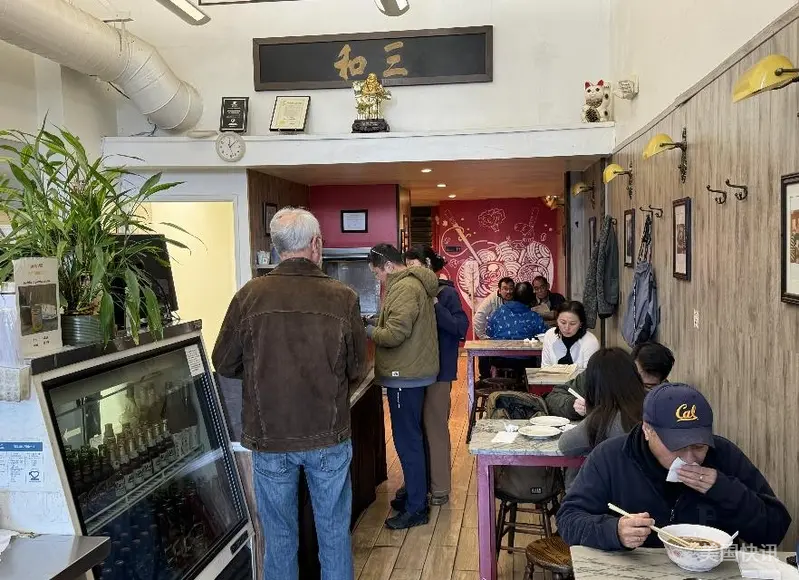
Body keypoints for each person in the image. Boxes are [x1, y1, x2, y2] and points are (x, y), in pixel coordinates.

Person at [213, 207, 367, 580]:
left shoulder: (249, 295)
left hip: (270, 437)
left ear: (277, 247)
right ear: (316, 244)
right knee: (334, 534)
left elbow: (223, 363)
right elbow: (357, 368)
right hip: (328, 434)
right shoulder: (343, 297)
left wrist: (261, 371)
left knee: (279, 537)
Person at [557, 383, 792, 551]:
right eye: (676, 447)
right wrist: (614, 531)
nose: (690, 459)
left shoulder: (724, 455)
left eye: (699, 446)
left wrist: (723, 488)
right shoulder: (611, 457)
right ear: (648, 430)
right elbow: (568, 519)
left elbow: (774, 531)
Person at [367, 243, 439, 529]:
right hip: (412, 371)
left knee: (408, 441)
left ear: (387, 265)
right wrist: (377, 321)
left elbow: (395, 334)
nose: (378, 279)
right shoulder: (410, 284)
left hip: (404, 374)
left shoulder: (404, 287)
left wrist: (368, 329)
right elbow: (398, 322)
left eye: (377, 273)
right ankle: (413, 493)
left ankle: (416, 508)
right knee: (412, 437)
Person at [394, 246, 468, 507]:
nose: (410, 271)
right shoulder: (409, 291)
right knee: (414, 429)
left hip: (439, 372)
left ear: (427, 264)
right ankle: (417, 483)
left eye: (414, 265)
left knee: (435, 428)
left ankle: (439, 487)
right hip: (413, 371)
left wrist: (436, 306)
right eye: (407, 266)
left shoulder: (446, 293)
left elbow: (460, 327)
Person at [558, 348, 647, 490]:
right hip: (648, 492)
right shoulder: (652, 406)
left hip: (605, 496)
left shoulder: (602, 418)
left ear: (594, 384)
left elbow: (565, 445)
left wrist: (590, 414)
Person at [547, 341, 674, 420]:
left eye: (648, 386)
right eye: (635, 378)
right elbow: (553, 397)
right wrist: (572, 405)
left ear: (662, 380)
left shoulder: (665, 397)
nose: (637, 387)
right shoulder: (604, 374)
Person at [473, 277, 515, 379]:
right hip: (495, 337)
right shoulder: (492, 299)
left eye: (511, 288)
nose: (508, 292)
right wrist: (483, 337)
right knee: (483, 353)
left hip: (514, 339)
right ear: (499, 290)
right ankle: (485, 379)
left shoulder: (518, 297)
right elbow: (478, 317)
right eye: (505, 289)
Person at [541, 301, 599, 369]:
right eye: (563, 322)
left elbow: (589, 372)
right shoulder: (550, 335)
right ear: (557, 320)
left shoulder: (590, 341)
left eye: (572, 323)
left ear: (581, 324)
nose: (567, 328)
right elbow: (545, 367)